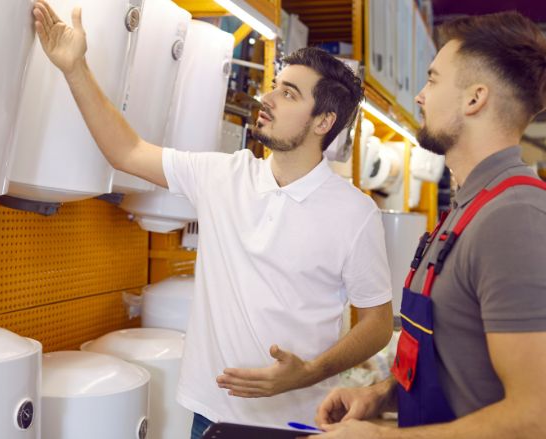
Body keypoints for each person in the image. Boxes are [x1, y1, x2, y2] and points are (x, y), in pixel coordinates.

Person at [30, 1, 394, 437]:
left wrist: (309, 372)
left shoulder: (353, 213)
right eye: (275, 86)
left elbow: (376, 324)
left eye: (288, 94)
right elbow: (125, 151)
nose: (268, 99)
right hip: (211, 418)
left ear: (324, 121)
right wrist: (75, 69)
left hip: (301, 423)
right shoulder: (224, 175)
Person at [314, 11, 546, 439]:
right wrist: (380, 395)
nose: (422, 96)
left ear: (474, 98)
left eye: (433, 80)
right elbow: (457, 364)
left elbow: (544, 421)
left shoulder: (518, 219)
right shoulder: (470, 208)